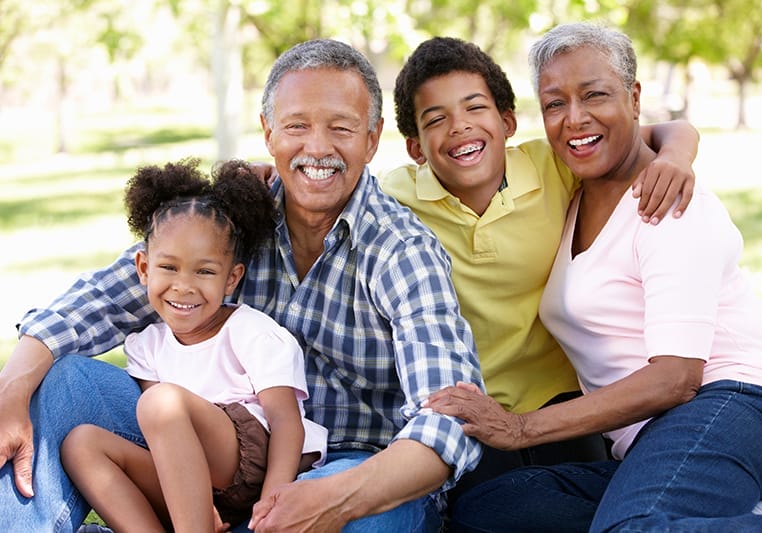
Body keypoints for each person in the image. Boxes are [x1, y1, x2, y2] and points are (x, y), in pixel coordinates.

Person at [0, 39, 483, 532]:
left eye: (341, 128)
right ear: (268, 131)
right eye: (297, 126)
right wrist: (9, 391)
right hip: (215, 452)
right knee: (62, 383)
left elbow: (448, 423)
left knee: (363, 522)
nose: (317, 148)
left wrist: (331, 497)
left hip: (350, 464)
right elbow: (99, 303)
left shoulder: (402, 252)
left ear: (372, 138)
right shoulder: (231, 216)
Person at [425, 22, 762, 531]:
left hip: (742, 405)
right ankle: (735, 514)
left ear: (634, 96)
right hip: (657, 442)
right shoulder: (569, 191)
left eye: (595, 95)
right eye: (555, 103)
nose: (574, 119)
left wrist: (521, 428)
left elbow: (677, 378)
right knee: (494, 508)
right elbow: (666, 133)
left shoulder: (668, 203)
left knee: (635, 527)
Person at [381, 36, 699, 503]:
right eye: (436, 119)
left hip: (564, 398)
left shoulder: (552, 166)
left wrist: (675, 156)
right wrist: (266, 173)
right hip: (470, 406)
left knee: (593, 504)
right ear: (415, 148)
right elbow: (332, 188)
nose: (460, 128)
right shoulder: (397, 198)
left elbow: (662, 131)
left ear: (507, 121)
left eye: (475, 109)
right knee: (480, 513)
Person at [60, 158, 328, 531]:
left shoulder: (251, 331)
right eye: (168, 268)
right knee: (81, 444)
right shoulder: (147, 346)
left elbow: (287, 424)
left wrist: (271, 504)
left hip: (254, 462)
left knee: (159, 402)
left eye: (204, 271)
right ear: (143, 268)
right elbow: (161, 442)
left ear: (232, 278)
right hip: (194, 483)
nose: (183, 286)